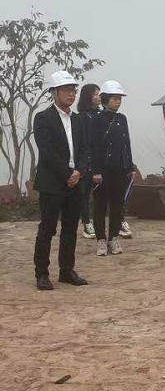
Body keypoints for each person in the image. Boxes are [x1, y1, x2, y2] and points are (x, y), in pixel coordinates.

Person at [33, 70, 89, 290]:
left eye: (73, 90)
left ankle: (66, 270)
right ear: (54, 93)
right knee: (47, 229)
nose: (70, 94)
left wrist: (79, 172)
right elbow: (47, 151)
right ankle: (42, 273)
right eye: (65, 90)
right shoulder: (43, 118)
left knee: (70, 228)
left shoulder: (78, 120)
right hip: (52, 183)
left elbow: (84, 149)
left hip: (75, 182)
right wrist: (67, 174)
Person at [90, 80, 135, 256]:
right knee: (100, 206)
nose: (118, 102)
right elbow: (93, 146)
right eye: (114, 98)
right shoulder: (97, 120)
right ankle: (101, 239)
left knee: (117, 205)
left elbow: (126, 144)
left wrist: (130, 167)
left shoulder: (122, 119)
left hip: (120, 169)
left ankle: (113, 237)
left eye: (119, 99)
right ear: (105, 99)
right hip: (103, 170)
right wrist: (95, 171)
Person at [76, 83, 102, 239]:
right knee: (84, 194)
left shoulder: (102, 115)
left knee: (102, 195)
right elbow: (83, 142)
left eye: (99, 93)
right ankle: (86, 222)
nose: (98, 97)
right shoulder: (81, 118)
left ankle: (105, 222)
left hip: (101, 162)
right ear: (87, 96)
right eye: (95, 93)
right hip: (86, 163)